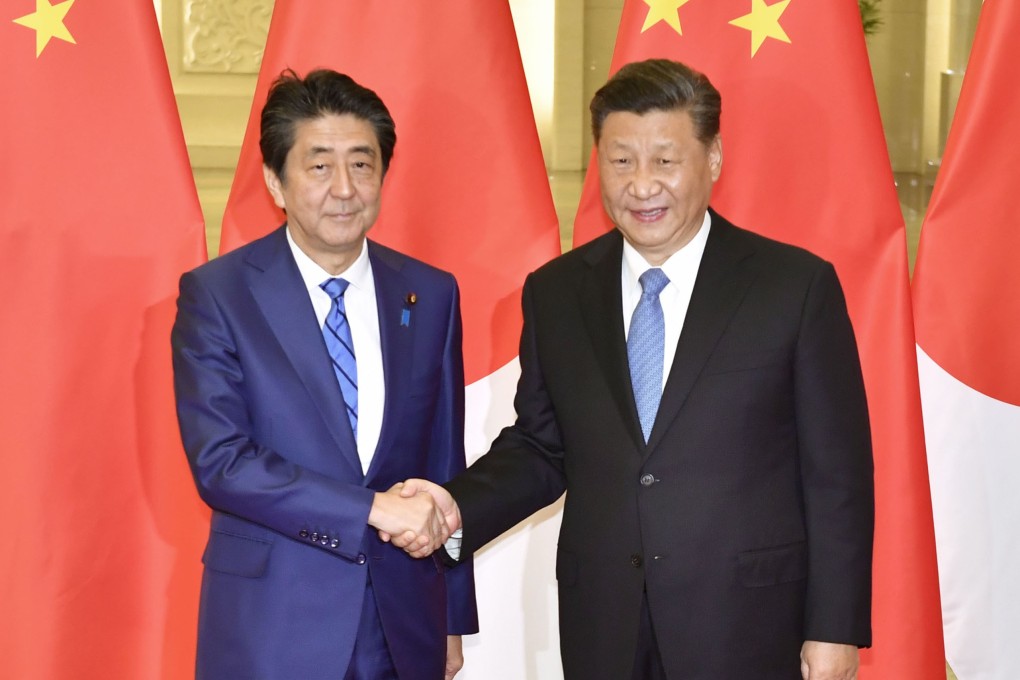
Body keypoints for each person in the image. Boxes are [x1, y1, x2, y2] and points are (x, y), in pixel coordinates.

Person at [397, 59, 874, 680]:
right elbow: (543, 447)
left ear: (714, 159)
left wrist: (833, 629)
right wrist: (452, 506)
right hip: (606, 621)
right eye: (621, 161)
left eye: (665, 161)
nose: (642, 185)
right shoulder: (558, 291)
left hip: (747, 619)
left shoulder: (794, 286)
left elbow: (837, 472)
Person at [171, 69, 477, 680]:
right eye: (319, 166)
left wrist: (450, 616)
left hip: (403, 621)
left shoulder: (429, 292)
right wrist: (371, 510)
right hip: (273, 624)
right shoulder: (220, 295)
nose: (344, 188)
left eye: (362, 165)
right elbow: (223, 463)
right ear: (274, 183)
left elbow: (445, 465)